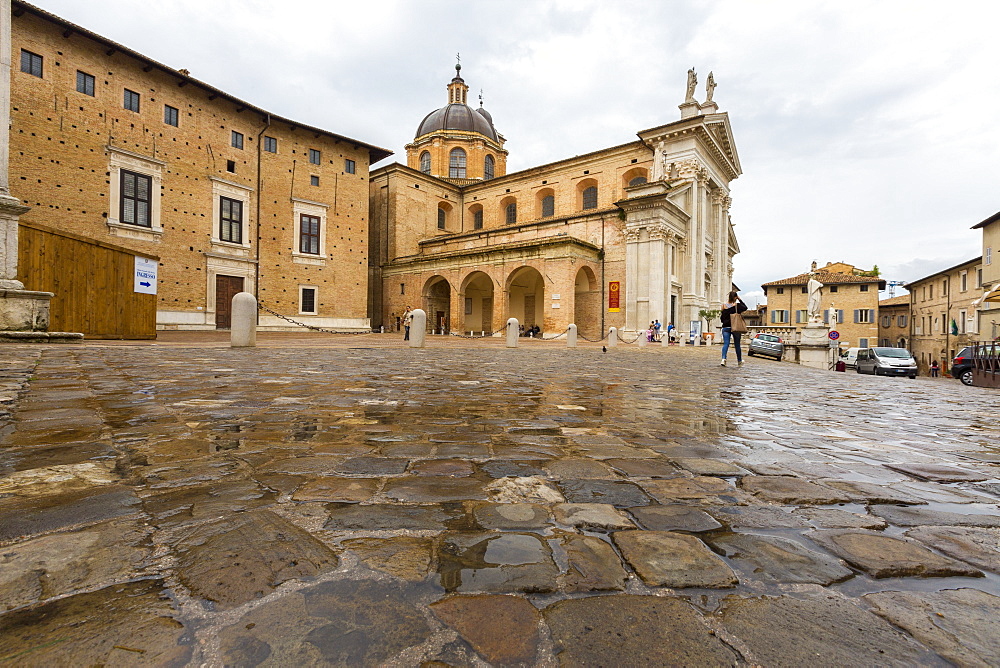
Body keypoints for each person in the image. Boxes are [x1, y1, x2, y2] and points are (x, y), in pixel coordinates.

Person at [720, 291, 748, 366]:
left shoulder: (723, 306)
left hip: (725, 327)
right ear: (735, 297)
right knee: (737, 345)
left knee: (726, 343)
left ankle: (723, 359)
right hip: (735, 327)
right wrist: (740, 299)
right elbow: (745, 307)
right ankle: (739, 361)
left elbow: (722, 318)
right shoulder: (737, 306)